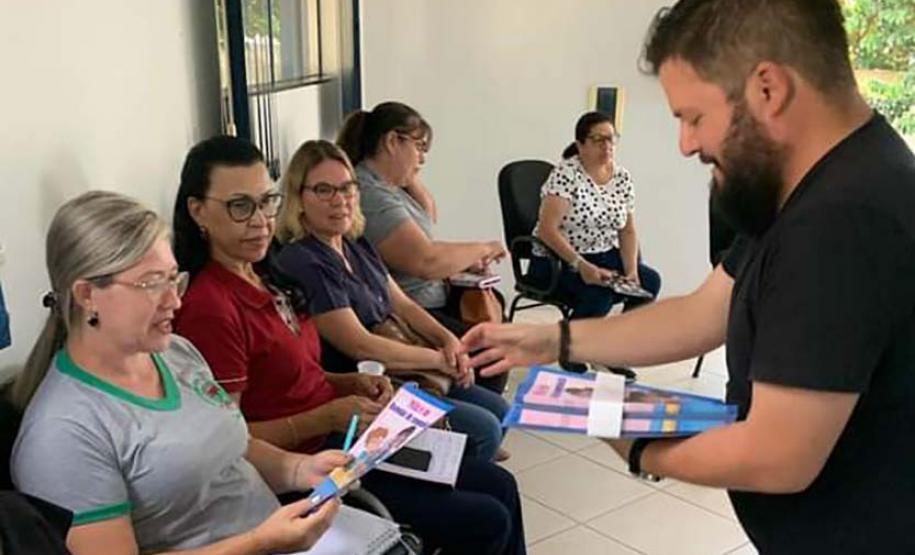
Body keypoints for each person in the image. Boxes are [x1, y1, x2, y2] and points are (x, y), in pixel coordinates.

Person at [461, 1, 915, 553]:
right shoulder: (809, 185)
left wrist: (638, 446)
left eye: (693, 117)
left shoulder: (843, 219)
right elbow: (703, 312)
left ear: (767, 89)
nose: (686, 144)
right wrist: (554, 338)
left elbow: (778, 456)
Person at [172, 136, 526, 555]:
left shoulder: (267, 276)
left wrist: (349, 384)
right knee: (485, 518)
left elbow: (299, 376)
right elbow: (229, 441)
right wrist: (327, 417)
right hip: (307, 464)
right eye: (239, 206)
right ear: (198, 211)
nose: (259, 220)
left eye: (266, 201)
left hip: (348, 439)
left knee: (501, 484)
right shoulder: (211, 307)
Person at [9, 191, 343, 555]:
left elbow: (229, 451)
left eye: (173, 279)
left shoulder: (176, 353)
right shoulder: (62, 432)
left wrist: (299, 469)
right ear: (88, 294)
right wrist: (258, 542)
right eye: (152, 284)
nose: (175, 301)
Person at [274, 139, 509, 462]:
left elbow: (404, 305)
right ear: (299, 199)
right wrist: (438, 360)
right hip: (372, 383)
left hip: (408, 365)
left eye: (347, 188)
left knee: (499, 410)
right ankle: (450, 483)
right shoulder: (304, 261)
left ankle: (463, 470)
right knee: (485, 429)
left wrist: (448, 342)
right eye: (324, 190)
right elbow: (362, 345)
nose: (340, 200)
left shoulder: (354, 243)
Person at [336, 101, 509, 393]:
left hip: (425, 300)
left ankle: (478, 403)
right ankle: (470, 406)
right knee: (493, 351)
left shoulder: (388, 186)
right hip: (414, 309)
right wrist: (483, 248)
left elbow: (428, 215)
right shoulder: (371, 194)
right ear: (392, 141)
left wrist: (409, 170)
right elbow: (425, 261)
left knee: (494, 316)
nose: (423, 159)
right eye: (419, 147)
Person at [531, 111, 662, 320]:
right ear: (581, 145)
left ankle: (622, 342)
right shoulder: (566, 174)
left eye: (611, 139)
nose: (607, 145)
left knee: (650, 282)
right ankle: (567, 349)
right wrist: (581, 265)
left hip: (604, 254)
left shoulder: (622, 177)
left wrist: (631, 271)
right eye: (598, 139)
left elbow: (627, 230)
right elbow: (548, 230)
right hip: (559, 260)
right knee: (599, 295)